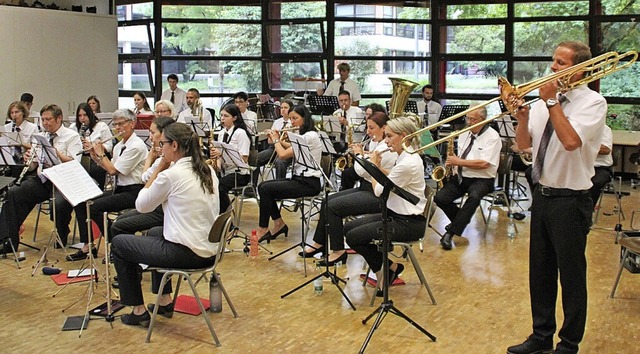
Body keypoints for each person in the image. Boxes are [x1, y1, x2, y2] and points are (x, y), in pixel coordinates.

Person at [507, 41, 606, 354]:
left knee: (572, 275)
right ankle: (541, 335)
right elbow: (524, 146)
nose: (552, 68)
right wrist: (522, 118)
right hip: (543, 194)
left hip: (572, 199)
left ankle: (569, 342)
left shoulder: (593, 102)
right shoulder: (543, 102)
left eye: (561, 62)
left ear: (580, 68)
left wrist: (551, 103)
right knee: (541, 271)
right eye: (554, 61)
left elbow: (571, 141)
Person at [111, 122, 220, 327]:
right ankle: (165, 301)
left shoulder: (171, 175)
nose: (161, 149)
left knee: (119, 243)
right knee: (153, 232)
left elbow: (141, 205)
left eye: (163, 144)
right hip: (209, 249)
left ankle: (138, 310)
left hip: (187, 253)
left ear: (175, 146)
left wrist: (158, 170)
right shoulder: (207, 170)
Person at [301, 112, 396, 266]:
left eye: (371, 128)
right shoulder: (375, 144)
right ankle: (319, 242)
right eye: (367, 127)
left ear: (384, 128)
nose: (368, 131)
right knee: (327, 200)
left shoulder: (386, 148)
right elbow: (363, 170)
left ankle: (338, 251)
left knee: (334, 207)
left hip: (379, 194)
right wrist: (363, 155)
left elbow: (363, 171)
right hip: (366, 187)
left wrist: (359, 155)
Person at [345, 116, 426, 294]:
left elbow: (379, 191)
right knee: (349, 228)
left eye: (389, 136)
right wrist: (380, 168)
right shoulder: (406, 155)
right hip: (396, 214)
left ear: (403, 136)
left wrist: (373, 167)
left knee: (355, 237)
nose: (386, 141)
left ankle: (383, 274)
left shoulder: (408, 162)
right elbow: (394, 178)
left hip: (408, 222)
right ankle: (390, 268)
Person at [66, 109, 148, 261]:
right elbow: (109, 167)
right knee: (82, 202)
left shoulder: (136, 146)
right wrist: (94, 156)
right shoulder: (119, 146)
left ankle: (116, 245)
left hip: (134, 191)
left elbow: (112, 170)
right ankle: (88, 245)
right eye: (115, 125)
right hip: (119, 189)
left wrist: (101, 154)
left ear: (132, 124)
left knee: (95, 206)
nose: (117, 128)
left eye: (121, 124)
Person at [0, 104, 82, 250]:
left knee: (58, 204)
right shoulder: (41, 137)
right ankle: (9, 241)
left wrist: (56, 153)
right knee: (14, 193)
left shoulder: (72, 136)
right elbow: (33, 166)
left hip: (63, 181)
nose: (45, 123)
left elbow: (76, 163)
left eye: (48, 119)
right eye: (43, 120)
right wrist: (28, 161)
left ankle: (62, 232)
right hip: (44, 179)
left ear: (59, 118)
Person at [434, 104, 501, 250]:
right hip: (462, 176)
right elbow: (461, 156)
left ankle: (450, 233)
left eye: (473, 119)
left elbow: (484, 163)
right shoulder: (465, 133)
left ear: (483, 120)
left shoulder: (493, 137)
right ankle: (460, 220)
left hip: (483, 179)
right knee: (439, 198)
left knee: (475, 196)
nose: (469, 122)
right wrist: (453, 163)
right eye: (468, 118)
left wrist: (459, 161)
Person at [255, 105, 322, 243]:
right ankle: (278, 224)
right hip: (299, 179)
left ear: (305, 118)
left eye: (295, 118)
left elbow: (283, 155)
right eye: (291, 118)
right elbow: (291, 149)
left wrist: (275, 140)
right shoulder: (304, 135)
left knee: (265, 188)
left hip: (309, 182)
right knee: (264, 188)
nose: (292, 122)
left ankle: (264, 229)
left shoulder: (310, 136)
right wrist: (278, 139)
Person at [110, 117, 175, 239]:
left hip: (162, 208)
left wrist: (150, 158)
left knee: (119, 225)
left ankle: (121, 252)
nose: (150, 137)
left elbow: (144, 178)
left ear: (164, 134)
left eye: (153, 132)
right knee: (120, 220)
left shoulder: (165, 159)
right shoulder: (162, 158)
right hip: (156, 204)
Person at [210, 104, 251, 213]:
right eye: (221, 115)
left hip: (240, 173)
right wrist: (216, 166)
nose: (222, 118)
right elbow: (219, 155)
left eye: (226, 116)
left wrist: (222, 154)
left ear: (234, 118)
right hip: (226, 171)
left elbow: (244, 158)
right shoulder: (222, 133)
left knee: (220, 187)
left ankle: (226, 218)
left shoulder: (240, 133)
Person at [254, 99, 294, 184]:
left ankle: (279, 187)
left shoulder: (293, 123)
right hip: (274, 148)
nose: (283, 109)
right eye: (281, 107)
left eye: (285, 108)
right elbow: (269, 142)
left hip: (287, 149)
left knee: (280, 162)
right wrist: (272, 136)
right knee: (256, 158)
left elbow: (293, 144)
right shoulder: (277, 122)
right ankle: (252, 186)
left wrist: (278, 138)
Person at [75, 102, 113, 187]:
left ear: (90, 115)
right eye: (79, 116)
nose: (82, 118)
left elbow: (109, 146)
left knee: (94, 171)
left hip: (97, 159)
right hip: (80, 158)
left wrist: (94, 147)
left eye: (85, 115)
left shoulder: (101, 126)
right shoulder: (73, 127)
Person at [4, 101, 39, 176]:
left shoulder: (32, 127)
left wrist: (20, 143)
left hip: (25, 158)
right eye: (12, 113)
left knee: (16, 168)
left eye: (17, 112)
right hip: (11, 157)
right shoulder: (7, 127)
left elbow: (36, 147)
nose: (14, 115)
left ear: (23, 113)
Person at [332, 90, 363, 155]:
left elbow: (361, 129)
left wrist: (347, 124)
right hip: (339, 143)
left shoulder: (357, 111)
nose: (343, 103)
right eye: (341, 101)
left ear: (350, 100)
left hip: (354, 143)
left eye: (345, 100)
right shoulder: (336, 113)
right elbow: (333, 133)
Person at [588, 124, 613, 205]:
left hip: (601, 168)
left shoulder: (604, 129)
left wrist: (584, 145)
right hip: (582, 166)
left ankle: (588, 210)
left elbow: (606, 150)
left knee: (594, 183)